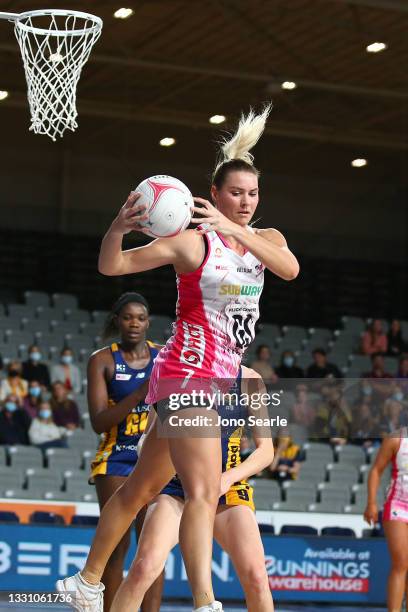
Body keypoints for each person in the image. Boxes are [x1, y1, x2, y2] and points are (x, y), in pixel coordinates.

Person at [57, 105, 299, 612]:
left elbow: (290, 269)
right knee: (204, 490)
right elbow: (113, 265)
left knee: (140, 488)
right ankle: (206, 602)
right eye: (235, 193)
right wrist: (118, 227)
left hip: (219, 378)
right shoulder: (191, 244)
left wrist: (240, 233)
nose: (245, 202)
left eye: (253, 194)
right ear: (213, 195)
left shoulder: (265, 241)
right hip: (187, 374)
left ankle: (87, 579)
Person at [110, 367, 274, 612]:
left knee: (257, 577)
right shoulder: (177, 373)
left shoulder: (250, 380)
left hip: (225, 486)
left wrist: (227, 479)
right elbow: (146, 440)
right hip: (176, 487)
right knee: (143, 568)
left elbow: (266, 451)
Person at [88, 292, 164, 611]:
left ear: (148, 323)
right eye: (128, 317)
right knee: (117, 547)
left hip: (155, 457)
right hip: (116, 456)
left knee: (153, 548)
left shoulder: (164, 356)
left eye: (141, 318)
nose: (135, 323)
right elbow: (99, 421)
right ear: (117, 320)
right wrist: (141, 393)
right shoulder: (102, 360)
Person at [364, 428, 408, 612]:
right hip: (397, 504)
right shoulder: (396, 439)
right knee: (401, 563)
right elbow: (376, 470)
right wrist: (371, 503)